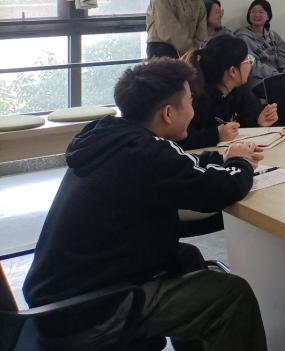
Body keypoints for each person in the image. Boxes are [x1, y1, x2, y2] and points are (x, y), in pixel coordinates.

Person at [23, 59, 267, 351]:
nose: (193, 110)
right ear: (168, 113)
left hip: (58, 300)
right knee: (230, 295)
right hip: (93, 313)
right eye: (190, 101)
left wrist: (223, 158)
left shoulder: (111, 137)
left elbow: (178, 166)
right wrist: (240, 162)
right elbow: (220, 189)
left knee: (186, 258)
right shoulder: (145, 153)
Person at [179, 33, 279, 150]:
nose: (250, 65)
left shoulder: (240, 91)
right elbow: (179, 140)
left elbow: (243, 127)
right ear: (233, 71)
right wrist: (216, 135)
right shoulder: (197, 99)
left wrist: (259, 122)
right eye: (247, 60)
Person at [236, 0, 285, 87]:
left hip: (280, 77)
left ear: (268, 16)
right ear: (249, 14)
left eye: (261, 12)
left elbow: (283, 58)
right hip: (259, 80)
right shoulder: (243, 37)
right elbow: (251, 63)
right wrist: (276, 75)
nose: (257, 15)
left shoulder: (274, 36)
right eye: (253, 12)